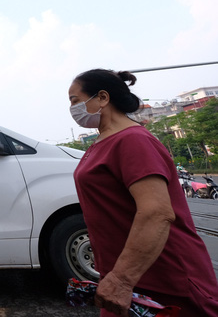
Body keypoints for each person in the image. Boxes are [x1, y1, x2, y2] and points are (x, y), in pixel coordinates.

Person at [68, 68, 218, 317]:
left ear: (103, 98)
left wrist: (122, 279)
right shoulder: (103, 142)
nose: (72, 109)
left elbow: (157, 212)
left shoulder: (132, 141)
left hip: (163, 276)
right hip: (131, 276)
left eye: (75, 100)